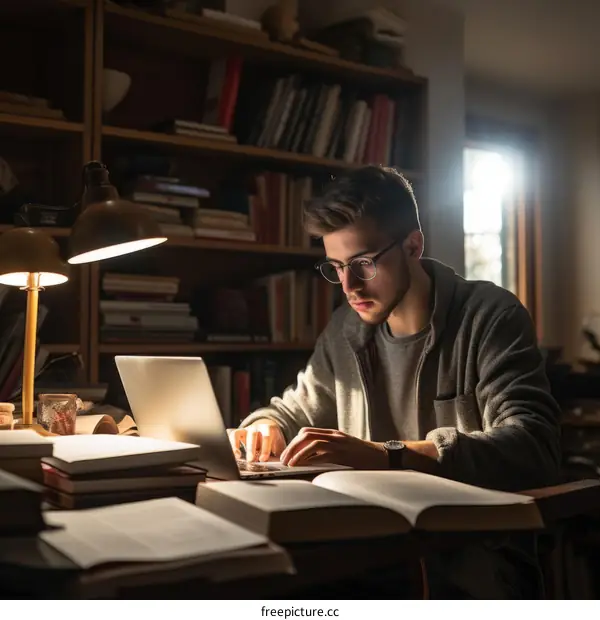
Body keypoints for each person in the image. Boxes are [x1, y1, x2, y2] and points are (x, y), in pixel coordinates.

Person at [228, 165, 562, 598]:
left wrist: (388, 456)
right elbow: (292, 410)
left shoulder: (490, 316)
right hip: (369, 568)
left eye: (363, 264)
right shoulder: (346, 330)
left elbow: (534, 446)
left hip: (475, 577)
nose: (348, 286)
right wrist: (264, 425)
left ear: (413, 245)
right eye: (336, 267)